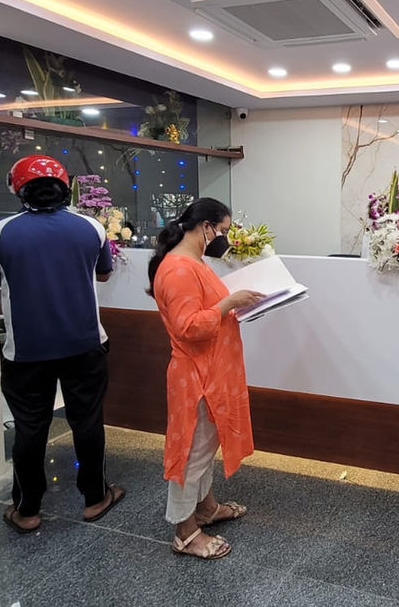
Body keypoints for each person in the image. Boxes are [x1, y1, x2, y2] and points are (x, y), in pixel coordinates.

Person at [0, 155, 126, 535]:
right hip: (85, 344)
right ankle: (95, 497)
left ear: (18, 190)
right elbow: (104, 274)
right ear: (64, 188)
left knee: (30, 427)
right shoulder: (91, 227)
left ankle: (27, 510)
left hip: (26, 352)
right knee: (87, 420)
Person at [148, 197, 263, 560]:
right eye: (223, 230)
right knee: (192, 453)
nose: (224, 238)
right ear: (206, 227)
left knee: (205, 446)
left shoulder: (194, 262)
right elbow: (189, 327)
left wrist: (238, 305)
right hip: (197, 378)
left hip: (213, 372)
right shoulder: (179, 269)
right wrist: (230, 303)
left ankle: (206, 508)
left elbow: (205, 310)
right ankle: (184, 531)